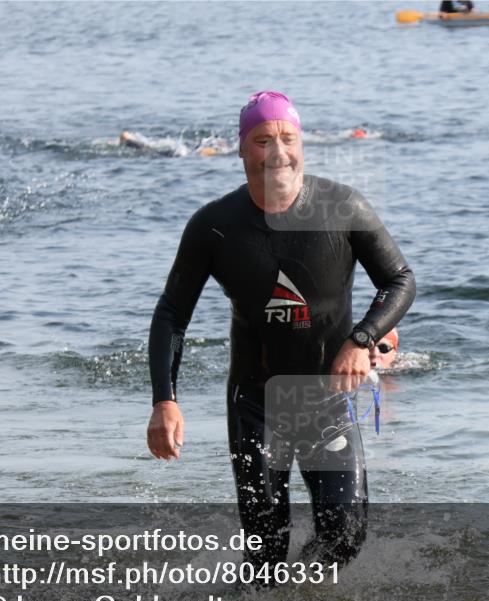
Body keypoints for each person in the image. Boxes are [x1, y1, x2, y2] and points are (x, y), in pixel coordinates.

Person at [146, 91, 416, 570]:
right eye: (262, 140)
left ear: (302, 144)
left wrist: (363, 338)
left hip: (327, 399)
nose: (277, 151)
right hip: (256, 402)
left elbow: (399, 281)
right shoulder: (214, 226)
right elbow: (172, 313)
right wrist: (164, 400)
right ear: (241, 149)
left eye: (288, 138)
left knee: (345, 538)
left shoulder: (343, 207)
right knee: (266, 550)